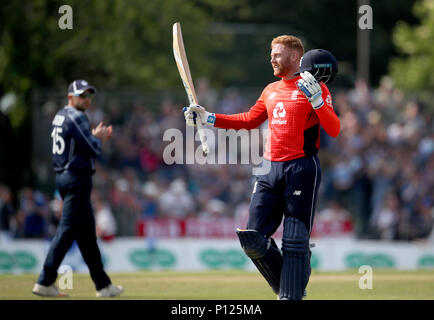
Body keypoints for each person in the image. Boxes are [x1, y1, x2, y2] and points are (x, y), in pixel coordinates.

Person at [184, 36, 340, 300]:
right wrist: (208, 118)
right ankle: (291, 283)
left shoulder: (315, 88)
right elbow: (247, 120)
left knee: (294, 239)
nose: (272, 58)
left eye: (277, 54)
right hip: (269, 168)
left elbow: (334, 129)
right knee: (253, 238)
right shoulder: (270, 90)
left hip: (301, 167)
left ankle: (290, 292)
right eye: (272, 54)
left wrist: (318, 103)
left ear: (294, 57)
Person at [32, 80, 123, 298]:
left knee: (87, 237)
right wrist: (99, 137)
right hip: (77, 179)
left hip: (64, 177)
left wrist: (91, 135)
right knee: (66, 231)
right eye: (82, 95)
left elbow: (77, 143)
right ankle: (44, 281)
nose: (86, 100)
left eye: (89, 96)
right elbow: (92, 148)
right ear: (70, 96)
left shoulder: (61, 115)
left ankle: (103, 285)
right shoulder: (77, 116)